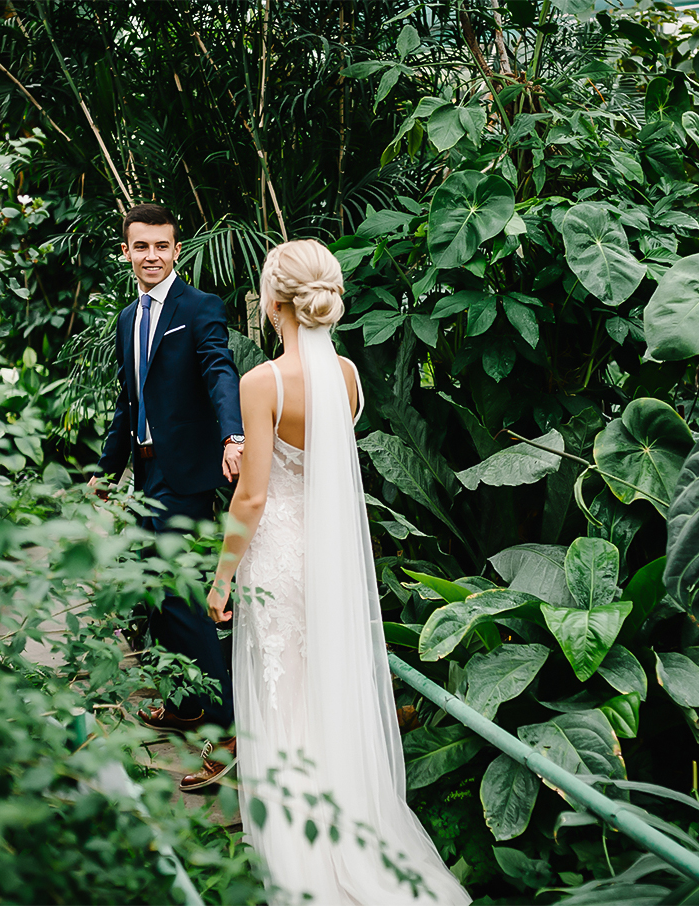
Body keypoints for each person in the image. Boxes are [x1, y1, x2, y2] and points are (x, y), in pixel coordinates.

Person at [206, 239, 471, 904]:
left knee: (284, 698)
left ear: (272, 302)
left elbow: (253, 496)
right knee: (325, 693)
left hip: (278, 557)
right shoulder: (348, 376)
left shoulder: (262, 382)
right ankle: (350, 825)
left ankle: (298, 849)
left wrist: (221, 576)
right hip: (332, 556)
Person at [89, 203, 244, 788]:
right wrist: (106, 471)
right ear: (125, 252)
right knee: (153, 596)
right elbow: (128, 401)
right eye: (141, 246)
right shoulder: (128, 317)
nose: (151, 255)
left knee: (180, 598)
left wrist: (233, 434)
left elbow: (219, 370)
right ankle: (185, 705)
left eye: (161, 246)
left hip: (185, 477)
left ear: (176, 250)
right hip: (145, 476)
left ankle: (227, 734)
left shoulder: (199, 307)